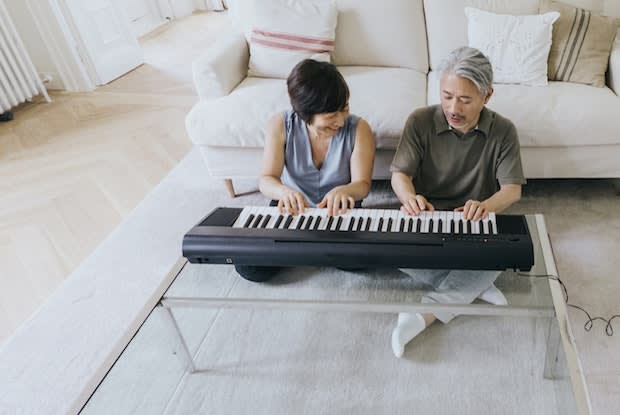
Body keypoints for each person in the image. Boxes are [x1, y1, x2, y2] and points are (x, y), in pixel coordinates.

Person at [389, 46, 526, 357]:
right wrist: (410, 198)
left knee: (506, 252)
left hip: (473, 224)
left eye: (465, 99)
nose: (453, 107)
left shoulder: (503, 130)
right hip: (427, 220)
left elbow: (512, 190)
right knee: (390, 249)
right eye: (447, 95)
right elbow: (400, 174)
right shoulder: (420, 120)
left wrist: (486, 206)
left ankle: (422, 315)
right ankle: (475, 286)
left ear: (487, 96)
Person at [235, 59, 376, 282]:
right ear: (304, 113)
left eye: (344, 109)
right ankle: (312, 248)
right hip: (293, 208)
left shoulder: (360, 129)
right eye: (331, 116)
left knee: (368, 259)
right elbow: (267, 179)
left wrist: (346, 191)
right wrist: (283, 192)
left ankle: (301, 249)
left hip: (339, 209)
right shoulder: (281, 124)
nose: (340, 120)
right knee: (249, 267)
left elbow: (363, 185)